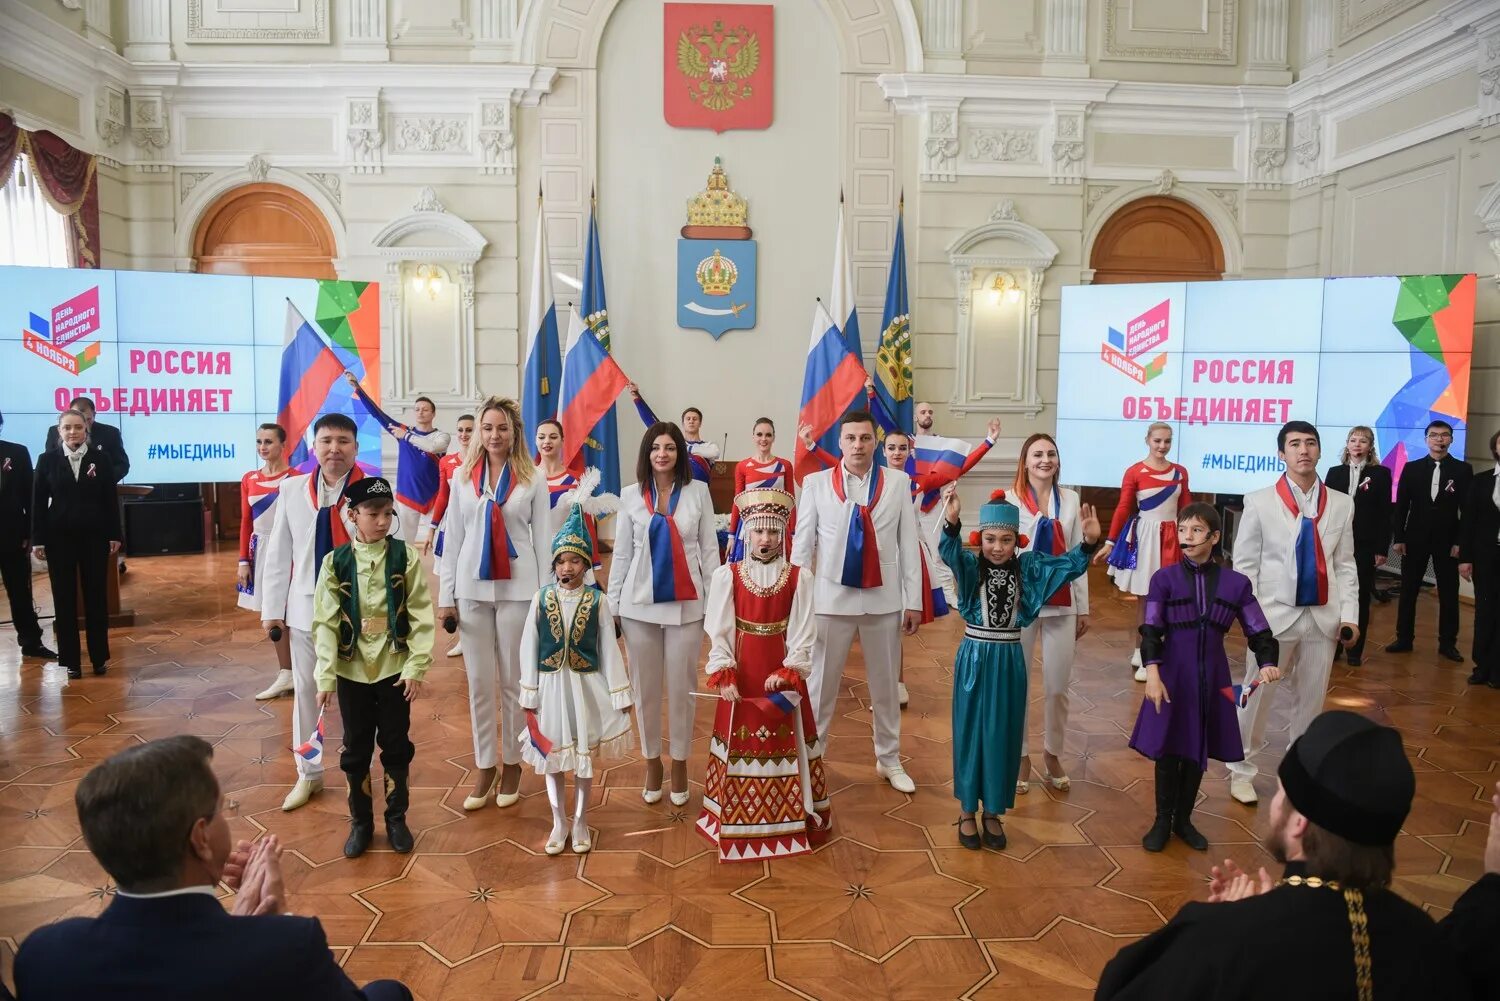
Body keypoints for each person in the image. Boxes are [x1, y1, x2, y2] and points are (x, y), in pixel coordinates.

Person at [1095, 711, 1500, 1001]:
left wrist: (1226, 921)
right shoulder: (1425, 942)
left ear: (1299, 824)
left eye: (1280, 795)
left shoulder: (1221, 939)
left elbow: (1119, 986)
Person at [12, 735, 412, 1001]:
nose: (228, 817)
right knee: (389, 992)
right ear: (200, 838)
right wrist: (273, 924)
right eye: (224, 808)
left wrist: (240, 929)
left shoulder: (43, 955)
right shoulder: (288, 948)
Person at [939, 486, 1099, 850]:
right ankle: (967, 810)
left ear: (1017, 540)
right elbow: (948, 551)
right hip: (975, 658)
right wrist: (951, 522)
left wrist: (1088, 545)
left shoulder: (1029, 568)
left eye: (1006, 540)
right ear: (981, 539)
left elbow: (1067, 566)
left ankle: (993, 810)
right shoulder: (970, 566)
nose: (997, 547)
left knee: (1004, 733)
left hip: (1010, 660)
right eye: (991, 539)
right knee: (971, 732)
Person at [1131, 503, 1281, 853]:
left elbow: (1258, 629)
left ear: (1214, 537)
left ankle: (1183, 820)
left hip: (1213, 676)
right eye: (1183, 530)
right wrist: (1152, 673)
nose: (1187, 537)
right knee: (1169, 749)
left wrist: (1268, 660)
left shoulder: (1236, 584)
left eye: (1197, 531)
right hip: (1171, 675)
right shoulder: (1162, 579)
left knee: (1196, 747)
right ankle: (1161, 820)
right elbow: (1151, 630)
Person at [1227, 421, 1358, 806]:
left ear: (1319, 451)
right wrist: (1252, 621)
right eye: (1295, 444)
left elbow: (1346, 565)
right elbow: (1245, 566)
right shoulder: (1259, 501)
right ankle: (1241, 769)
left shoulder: (1342, 503)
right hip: (1273, 617)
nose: (1304, 450)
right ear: (1281, 454)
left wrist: (1350, 615)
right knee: (1256, 696)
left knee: (1311, 701)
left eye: (1311, 443)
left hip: (1323, 616)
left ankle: (1299, 772)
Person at [698, 487, 831, 862]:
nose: (766, 538)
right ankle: (733, 819)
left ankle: (785, 819)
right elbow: (719, 628)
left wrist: (790, 670)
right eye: (759, 530)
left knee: (782, 734)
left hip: (778, 672)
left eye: (774, 531)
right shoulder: (730, 575)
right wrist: (724, 671)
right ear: (747, 533)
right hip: (744, 672)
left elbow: (805, 630)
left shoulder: (798, 577)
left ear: (783, 535)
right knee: (741, 734)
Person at [792, 411, 922, 794]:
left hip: (883, 600)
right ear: (840, 442)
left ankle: (889, 759)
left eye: (865, 438)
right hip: (830, 600)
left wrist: (912, 600)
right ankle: (813, 758)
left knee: (885, 688)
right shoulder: (816, 484)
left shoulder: (898, 483)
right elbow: (803, 548)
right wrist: (798, 604)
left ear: (875, 442)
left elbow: (908, 545)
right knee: (819, 688)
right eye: (851, 438)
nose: (858, 446)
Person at [437, 397, 550, 814]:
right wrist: (445, 596)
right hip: (472, 588)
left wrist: (544, 597)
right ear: (478, 433)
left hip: (520, 589)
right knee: (479, 682)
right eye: (487, 428)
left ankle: (513, 763)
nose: (494, 435)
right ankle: (485, 764)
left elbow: (542, 541)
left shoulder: (533, 478)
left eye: (502, 428)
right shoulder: (462, 478)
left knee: (514, 682)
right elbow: (452, 539)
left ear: (514, 432)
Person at [312, 477, 433, 858]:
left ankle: (397, 819)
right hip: (351, 672)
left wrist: (415, 666)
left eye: (387, 514)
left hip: (394, 669)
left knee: (396, 743)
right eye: (372, 514)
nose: (381, 522)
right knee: (355, 745)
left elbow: (421, 614)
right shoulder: (336, 562)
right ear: (353, 515)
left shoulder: (405, 557)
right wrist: (325, 675)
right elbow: (325, 622)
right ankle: (361, 823)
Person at [259, 413, 368, 812]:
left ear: (355, 448)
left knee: (358, 698)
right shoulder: (290, 490)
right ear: (314, 447)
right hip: (307, 610)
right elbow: (278, 552)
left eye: (343, 441)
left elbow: (394, 552)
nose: (334, 449)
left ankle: (360, 775)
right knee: (307, 694)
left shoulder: (371, 490)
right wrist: (272, 610)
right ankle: (308, 774)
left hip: (361, 613)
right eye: (326, 441)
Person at [518, 471, 630, 855]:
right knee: (552, 758)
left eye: (575, 561)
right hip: (550, 688)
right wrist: (528, 690)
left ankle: (581, 819)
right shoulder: (540, 598)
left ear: (586, 564)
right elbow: (528, 645)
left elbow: (609, 648)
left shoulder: (599, 602)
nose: (567, 568)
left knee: (581, 757)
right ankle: (558, 821)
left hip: (584, 687)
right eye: (561, 561)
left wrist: (619, 692)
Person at [608, 421, 720, 806]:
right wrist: (613, 605)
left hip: (687, 606)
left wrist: (716, 603)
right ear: (646, 453)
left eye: (670, 447)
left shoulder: (698, 492)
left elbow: (709, 551)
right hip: (638, 607)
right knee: (645, 688)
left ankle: (680, 763)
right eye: (656, 447)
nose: (662, 454)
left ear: (680, 453)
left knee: (683, 688)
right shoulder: (629, 495)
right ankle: (652, 760)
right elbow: (622, 553)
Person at [1013, 433, 1088, 793]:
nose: (1045, 459)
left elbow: (1079, 555)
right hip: (1021, 605)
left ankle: (1052, 752)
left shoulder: (1071, 500)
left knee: (1057, 687)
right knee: (1019, 684)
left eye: (1051, 454)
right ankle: (1021, 755)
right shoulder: (1009, 499)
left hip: (1063, 603)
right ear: (1025, 461)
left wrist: (1083, 607)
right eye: (1037, 454)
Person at [1095, 422, 1193, 683]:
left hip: (1173, 539)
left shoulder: (1181, 472)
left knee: (1172, 599)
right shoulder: (1134, 472)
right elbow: (1123, 507)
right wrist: (1109, 541)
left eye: (1167, 441)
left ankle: (1163, 652)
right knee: (1145, 600)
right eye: (1157, 440)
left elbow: (1187, 510)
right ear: (1147, 440)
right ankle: (1142, 652)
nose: (1162, 446)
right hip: (1146, 540)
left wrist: (1192, 541)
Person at [32, 409, 122, 680]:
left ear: (86, 430)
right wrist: (38, 539)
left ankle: (98, 658)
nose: (73, 432)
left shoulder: (100, 459)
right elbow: (38, 503)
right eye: (67, 428)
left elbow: (109, 500)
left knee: (96, 597)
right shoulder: (46, 461)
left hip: (94, 538)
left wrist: (114, 534)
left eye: (78, 427)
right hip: (59, 540)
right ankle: (71, 660)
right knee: (64, 599)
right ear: (59, 431)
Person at [1388, 418, 1472, 662]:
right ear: (1426, 440)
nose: (1439, 439)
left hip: (1448, 540)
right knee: (1408, 591)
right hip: (1414, 539)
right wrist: (1399, 538)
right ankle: (1404, 638)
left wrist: (1460, 543)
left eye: (1444, 435)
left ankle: (1448, 644)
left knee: (1448, 593)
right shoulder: (1412, 468)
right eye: (1434, 435)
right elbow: (1402, 506)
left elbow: (1467, 511)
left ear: (1451, 439)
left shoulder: (1462, 470)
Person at [344, 372, 452, 543]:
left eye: (425, 409)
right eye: (417, 409)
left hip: (433, 496)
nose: (420, 412)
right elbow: (378, 414)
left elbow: (431, 447)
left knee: (442, 540)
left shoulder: (441, 436)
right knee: (404, 541)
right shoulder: (402, 430)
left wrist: (406, 436)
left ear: (433, 413)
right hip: (408, 496)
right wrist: (358, 389)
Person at [1324, 426, 1392, 667]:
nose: (1357, 444)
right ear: (1347, 444)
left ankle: (1354, 649)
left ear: (1370, 446)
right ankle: (1333, 648)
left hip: (1365, 544)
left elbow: (1386, 513)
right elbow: (1325, 509)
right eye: (1353, 440)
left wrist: (1382, 549)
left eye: (1363, 441)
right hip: (1335, 543)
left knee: (1361, 596)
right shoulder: (1334, 473)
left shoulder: (1381, 474)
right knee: (1334, 595)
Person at [237, 423, 296, 701]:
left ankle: (300, 669)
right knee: (272, 614)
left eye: (269, 441)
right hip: (259, 551)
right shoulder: (249, 478)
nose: (263, 447)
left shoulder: (297, 478)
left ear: (283, 445)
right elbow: (246, 521)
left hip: (289, 549)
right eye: (259, 441)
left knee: (292, 610)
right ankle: (286, 672)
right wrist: (242, 561)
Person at [0, 410, 53, 661]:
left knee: (20, 592)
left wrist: (31, 533)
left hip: (12, 534)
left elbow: (30, 497)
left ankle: (31, 642)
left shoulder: (17, 452)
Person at [423, 412, 474, 658]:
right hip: (450, 529)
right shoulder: (447, 462)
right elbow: (443, 495)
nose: (464, 435)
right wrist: (432, 528)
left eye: (469, 430)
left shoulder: (484, 461)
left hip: (475, 528)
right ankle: (463, 637)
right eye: (461, 430)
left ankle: (478, 635)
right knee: (451, 580)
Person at [1459, 429, 1500, 688]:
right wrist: (1465, 558)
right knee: (1485, 611)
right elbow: (1469, 522)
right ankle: (1482, 666)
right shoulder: (1482, 480)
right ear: (1495, 448)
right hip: (1486, 555)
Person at [727, 417, 793, 561]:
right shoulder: (742, 466)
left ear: (774, 438)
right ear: (753, 437)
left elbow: (791, 504)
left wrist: (793, 534)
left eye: (768, 435)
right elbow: (737, 503)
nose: (764, 439)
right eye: (759, 434)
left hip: (777, 529)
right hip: (749, 529)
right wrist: (731, 535)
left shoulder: (785, 465)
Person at [627, 384, 720, 482]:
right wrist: (637, 397)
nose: (691, 421)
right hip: (677, 489)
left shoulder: (709, 446)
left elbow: (714, 453)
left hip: (700, 492)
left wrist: (684, 447)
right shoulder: (674, 443)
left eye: (695, 419)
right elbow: (652, 424)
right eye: (688, 419)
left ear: (700, 423)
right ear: (683, 423)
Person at [44, 395, 130, 482]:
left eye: (87, 420)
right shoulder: (54, 432)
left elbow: (122, 465)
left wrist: (103, 481)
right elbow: (48, 464)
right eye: (78, 420)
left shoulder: (110, 433)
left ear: (94, 415)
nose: (84, 425)